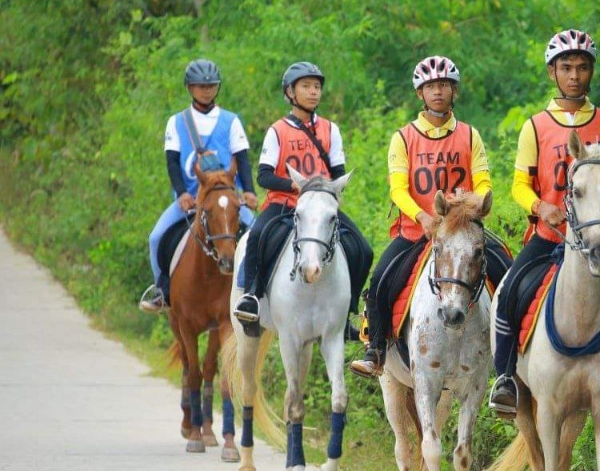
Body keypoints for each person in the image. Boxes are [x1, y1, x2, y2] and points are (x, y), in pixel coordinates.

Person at [488, 29, 600, 422]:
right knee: (510, 292)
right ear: (552, 73)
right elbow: (518, 183)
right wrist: (540, 206)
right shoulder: (535, 126)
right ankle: (504, 380)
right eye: (566, 67)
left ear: (592, 72)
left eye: (582, 68)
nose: (575, 75)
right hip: (549, 235)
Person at [349, 55, 511, 378]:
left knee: (509, 269)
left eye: (444, 85)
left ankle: (511, 360)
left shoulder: (469, 135)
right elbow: (398, 189)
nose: (438, 91)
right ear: (420, 94)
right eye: (430, 86)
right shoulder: (403, 138)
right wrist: (422, 217)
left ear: (454, 91)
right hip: (416, 231)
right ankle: (376, 349)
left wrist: (476, 202)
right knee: (381, 280)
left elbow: (483, 182)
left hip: (462, 231)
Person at [232, 61, 372, 328]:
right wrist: (294, 186)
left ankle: (348, 311)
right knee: (258, 235)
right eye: (306, 86)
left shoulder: (331, 130)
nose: (313, 92)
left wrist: (329, 192)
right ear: (290, 92)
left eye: (317, 87)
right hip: (283, 203)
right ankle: (251, 296)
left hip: (319, 207)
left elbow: (337, 171)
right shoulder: (278, 130)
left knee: (363, 249)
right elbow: (264, 176)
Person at [139, 59, 257, 313]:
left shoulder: (231, 120)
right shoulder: (177, 121)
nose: (206, 90)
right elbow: (172, 162)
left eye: (211, 86)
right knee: (155, 237)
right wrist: (181, 193)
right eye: (200, 86)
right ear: (190, 88)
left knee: (257, 231)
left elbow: (243, 159)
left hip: (225, 199)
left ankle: (253, 291)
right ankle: (162, 289)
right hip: (191, 199)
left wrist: (248, 191)